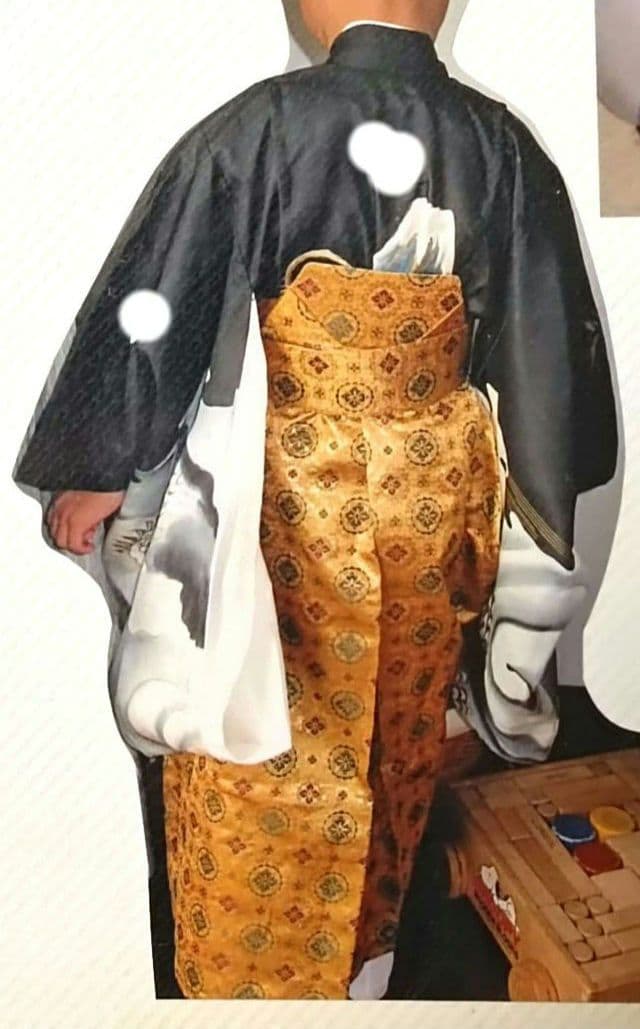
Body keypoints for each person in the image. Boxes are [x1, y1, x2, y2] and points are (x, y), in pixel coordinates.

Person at [12, 0, 617, 1001]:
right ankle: (367, 963)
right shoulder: (499, 146)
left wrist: (103, 459)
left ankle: (255, 967)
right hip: (428, 494)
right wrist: (541, 505)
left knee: (259, 720)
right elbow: (546, 349)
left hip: (281, 494)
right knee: (397, 732)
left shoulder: (256, 130)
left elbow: (160, 302)